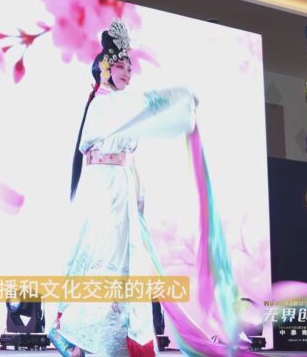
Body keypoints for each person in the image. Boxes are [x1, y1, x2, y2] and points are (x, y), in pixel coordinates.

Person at [48, 18, 198, 357]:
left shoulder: (120, 103)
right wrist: (178, 100)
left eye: (130, 68)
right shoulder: (103, 103)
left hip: (122, 183)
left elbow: (138, 135)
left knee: (125, 257)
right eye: (120, 66)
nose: (127, 73)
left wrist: (139, 195)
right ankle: (76, 331)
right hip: (103, 185)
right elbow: (148, 108)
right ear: (105, 68)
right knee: (103, 254)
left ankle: (110, 337)